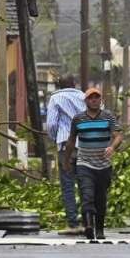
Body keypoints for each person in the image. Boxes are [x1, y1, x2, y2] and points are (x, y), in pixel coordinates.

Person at [63, 88, 122, 240]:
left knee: (100, 198)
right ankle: (89, 226)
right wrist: (66, 161)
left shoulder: (108, 117)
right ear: (86, 101)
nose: (94, 100)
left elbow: (118, 136)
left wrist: (112, 147)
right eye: (91, 98)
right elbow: (71, 140)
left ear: (100, 100)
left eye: (97, 97)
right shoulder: (78, 119)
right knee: (87, 195)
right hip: (84, 164)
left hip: (104, 165)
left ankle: (100, 229)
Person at [45, 75, 86, 235]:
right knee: (85, 184)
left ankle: (73, 223)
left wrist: (55, 137)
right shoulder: (85, 97)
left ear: (59, 85)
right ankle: (88, 222)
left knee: (68, 184)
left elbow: (51, 124)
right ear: (74, 84)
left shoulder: (55, 98)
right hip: (85, 145)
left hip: (65, 146)